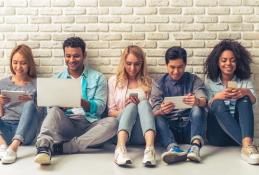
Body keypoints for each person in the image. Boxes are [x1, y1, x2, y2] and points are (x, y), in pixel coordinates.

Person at [35, 37, 118, 165]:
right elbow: (50, 113)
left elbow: (101, 108)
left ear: (84, 55)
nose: (71, 60)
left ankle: (67, 147)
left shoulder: (98, 78)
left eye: (76, 56)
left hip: (89, 126)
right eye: (68, 56)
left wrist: (80, 102)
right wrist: (58, 106)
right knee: (54, 110)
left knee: (113, 123)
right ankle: (43, 147)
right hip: (66, 124)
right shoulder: (57, 78)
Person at [204, 39, 259, 165]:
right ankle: (248, 145)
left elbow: (253, 103)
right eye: (224, 60)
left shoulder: (244, 79)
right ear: (217, 62)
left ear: (238, 62)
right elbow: (205, 107)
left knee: (245, 98)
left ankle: (246, 145)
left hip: (240, 130)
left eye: (232, 60)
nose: (228, 63)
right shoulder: (210, 80)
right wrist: (217, 96)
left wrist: (246, 92)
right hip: (217, 136)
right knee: (217, 103)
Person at [151, 46, 207, 164]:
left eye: (180, 67)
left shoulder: (193, 80)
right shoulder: (159, 84)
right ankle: (172, 148)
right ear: (166, 65)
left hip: (190, 128)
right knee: (157, 116)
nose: (176, 72)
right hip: (170, 130)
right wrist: (161, 110)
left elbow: (203, 99)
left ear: (185, 65)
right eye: (172, 67)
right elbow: (154, 111)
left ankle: (195, 147)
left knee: (198, 107)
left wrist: (197, 101)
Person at [108, 45, 156, 167]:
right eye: (129, 63)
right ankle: (120, 149)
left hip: (142, 134)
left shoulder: (150, 82)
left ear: (142, 64)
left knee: (144, 103)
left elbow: (152, 113)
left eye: (137, 64)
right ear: (123, 63)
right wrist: (127, 108)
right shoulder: (114, 81)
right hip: (120, 132)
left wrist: (141, 105)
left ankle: (150, 149)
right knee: (131, 106)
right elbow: (111, 112)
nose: (132, 68)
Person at [0, 44, 44, 164]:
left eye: (23, 63)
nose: (18, 67)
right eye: (15, 62)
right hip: (5, 130)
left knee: (29, 104)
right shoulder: (2, 83)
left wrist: (32, 101)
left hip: (25, 133)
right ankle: (2, 146)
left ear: (29, 64)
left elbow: (42, 115)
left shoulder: (37, 84)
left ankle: (13, 148)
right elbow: (1, 114)